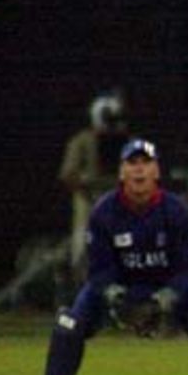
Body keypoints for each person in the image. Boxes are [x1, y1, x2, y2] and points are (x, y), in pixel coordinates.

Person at [38, 139, 188, 375]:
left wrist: (169, 296)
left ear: (157, 171)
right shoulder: (104, 211)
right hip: (118, 286)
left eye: (146, 163)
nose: (139, 170)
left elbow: (187, 268)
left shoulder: (175, 210)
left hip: (169, 287)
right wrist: (112, 294)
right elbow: (97, 268)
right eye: (132, 163)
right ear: (121, 172)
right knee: (67, 326)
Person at [56, 89, 130, 303]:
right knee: (83, 254)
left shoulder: (125, 142)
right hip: (88, 208)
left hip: (117, 208)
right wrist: (89, 185)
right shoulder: (82, 141)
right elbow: (68, 174)